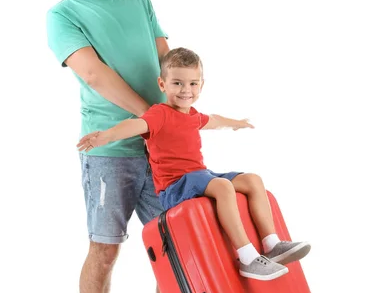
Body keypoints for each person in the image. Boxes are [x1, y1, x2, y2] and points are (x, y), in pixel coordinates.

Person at [35, 0, 191, 293]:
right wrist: (153, 119)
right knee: (104, 249)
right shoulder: (61, 16)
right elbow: (95, 75)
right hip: (110, 152)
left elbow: (166, 59)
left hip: (161, 150)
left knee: (172, 248)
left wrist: (179, 108)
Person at [78, 47, 311, 281]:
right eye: (177, 83)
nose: (185, 90)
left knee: (253, 180)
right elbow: (135, 126)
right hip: (175, 186)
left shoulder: (192, 115)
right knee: (222, 186)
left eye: (192, 84)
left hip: (199, 176)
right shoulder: (160, 114)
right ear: (162, 84)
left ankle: (272, 244)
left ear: (201, 85)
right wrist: (106, 136)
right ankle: (247, 257)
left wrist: (236, 123)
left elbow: (215, 120)